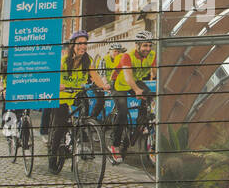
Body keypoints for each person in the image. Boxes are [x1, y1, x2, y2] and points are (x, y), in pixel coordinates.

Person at [48, 30, 111, 172]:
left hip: (76, 95)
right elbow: (52, 76)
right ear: (73, 45)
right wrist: (57, 85)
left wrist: (103, 85)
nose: (83, 46)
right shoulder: (63, 60)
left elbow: (94, 75)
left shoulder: (87, 60)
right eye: (80, 43)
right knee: (61, 125)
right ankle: (53, 155)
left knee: (83, 113)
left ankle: (80, 140)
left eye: (85, 43)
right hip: (62, 95)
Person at [109, 30, 156, 162]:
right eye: (144, 45)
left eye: (149, 45)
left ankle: (138, 128)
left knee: (148, 101)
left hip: (135, 80)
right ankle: (115, 145)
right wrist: (136, 90)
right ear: (137, 45)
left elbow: (156, 73)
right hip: (119, 82)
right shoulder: (127, 56)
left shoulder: (152, 55)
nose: (147, 48)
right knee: (123, 112)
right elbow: (128, 77)